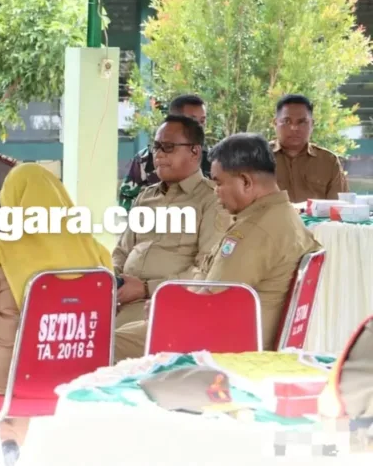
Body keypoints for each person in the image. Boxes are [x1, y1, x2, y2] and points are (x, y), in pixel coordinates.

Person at [0, 163, 114, 466]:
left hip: (6, 375)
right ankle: (5, 442)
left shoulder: (3, 253)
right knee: (29, 368)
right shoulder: (96, 253)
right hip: (76, 373)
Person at [112, 133, 323, 362]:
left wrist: (164, 309)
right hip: (237, 334)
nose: (215, 191)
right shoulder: (286, 217)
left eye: (219, 183)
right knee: (124, 328)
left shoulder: (253, 232)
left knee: (105, 345)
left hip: (218, 343)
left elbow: (209, 306)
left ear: (245, 182)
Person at [112, 115, 231, 327]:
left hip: (161, 305)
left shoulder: (212, 199)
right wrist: (112, 284)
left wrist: (147, 288)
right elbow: (122, 251)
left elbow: (207, 271)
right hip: (119, 301)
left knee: (104, 342)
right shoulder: (146, 196)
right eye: (156, 147)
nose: (158, 154)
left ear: (194, 151)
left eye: (167, 147)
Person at [119, 94, 211, 210]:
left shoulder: (213, 160)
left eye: (202, 121)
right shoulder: (146, 159)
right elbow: (126, 197)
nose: (199, 126)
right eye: (192, 120)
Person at [270, 94, 349, 203]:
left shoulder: (329, 161)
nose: (294, 128)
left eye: (301, 122)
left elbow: (340, 206)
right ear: (275, 123)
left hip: (319, 220)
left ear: (312, 124)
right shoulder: (258, 159)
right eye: (287, 121)